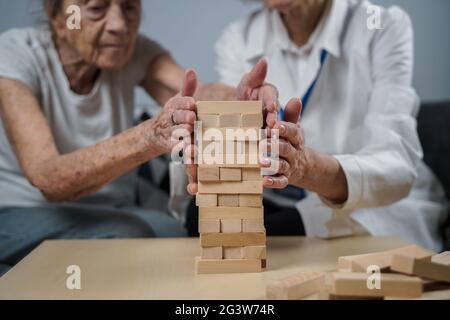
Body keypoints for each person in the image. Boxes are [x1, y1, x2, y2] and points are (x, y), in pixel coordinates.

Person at [0, 0, 280, 276]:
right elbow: (49, 179)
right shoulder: (15, 54)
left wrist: (242, 99)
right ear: (57, 17)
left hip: (110, 210)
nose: (119, 25)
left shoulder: (131, 52)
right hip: (21, 210)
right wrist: (152, 135)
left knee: (172, 231)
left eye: (130, 8)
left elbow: (198, 93)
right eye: (97, 9)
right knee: (128, 233)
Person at [187, 0, 449, 251]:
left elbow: (398, 165)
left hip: (370, 205)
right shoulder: (238, 37)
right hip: (277, 196)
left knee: (280, 232)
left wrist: (307, 168)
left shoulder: (382, 25)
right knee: (203, 218)